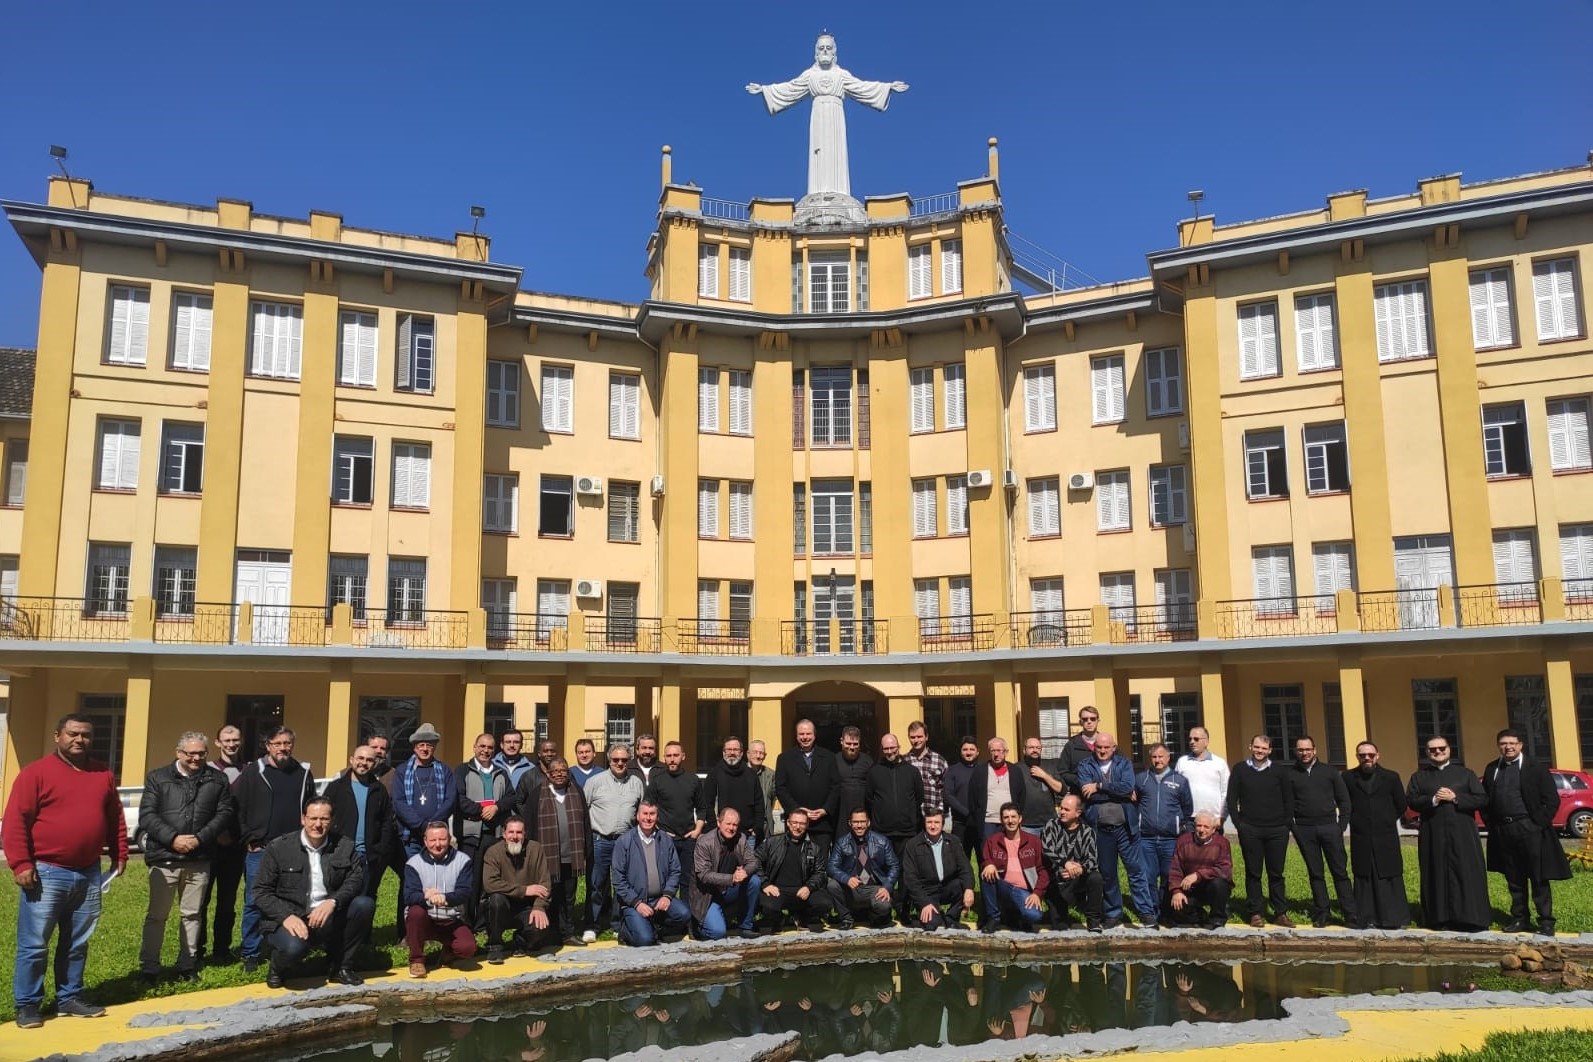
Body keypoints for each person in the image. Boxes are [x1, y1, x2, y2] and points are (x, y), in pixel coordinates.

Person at [3, 714, 127, 1027]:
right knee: (34, 944)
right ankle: (28, 1004)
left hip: (88, 872)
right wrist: (21, 863)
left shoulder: (102, 774)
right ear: (57, 735)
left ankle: (69, 997)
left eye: (85, 735)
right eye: (72, 734)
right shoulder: (36, 774)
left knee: (76, 942)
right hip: (46, 871)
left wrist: (120, 853)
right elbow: (16, 820)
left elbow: (115, 818)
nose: (79, 740)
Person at [745, 33, 908, 200]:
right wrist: (764, 89)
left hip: (836, 115)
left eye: (828, 48)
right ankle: (817, 193)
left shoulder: (841, 75)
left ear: (834, 53)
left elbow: (861, 87)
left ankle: (839, 193)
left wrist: (888, 87)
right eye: (821, 48)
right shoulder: (810, 75)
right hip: (818, 116)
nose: (824, 51)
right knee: (819, 153)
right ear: (815, 53)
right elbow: (791, 88)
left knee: (836, 152)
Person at [138, 730, 233, 984]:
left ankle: (187, 965)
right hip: (165, 858)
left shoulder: (218, 779)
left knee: (192, 914)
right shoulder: (158, 778)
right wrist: (173, 839)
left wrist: (199, 838)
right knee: (157, 916)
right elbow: (147, 816)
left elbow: (224, 814)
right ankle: (149, 968)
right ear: (178, 753)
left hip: (199, 858)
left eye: (201, 754)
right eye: (190, 754)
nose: (196, 759)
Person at [251, 797, 374, 989]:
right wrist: (286, 916)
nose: (318, 824)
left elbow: (355, 880)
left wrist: (332, 902)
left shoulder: (344, 846)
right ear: (303, 819)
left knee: (364, 905)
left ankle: (341, 966)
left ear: (331, 821)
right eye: (313, 818)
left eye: (324, 819)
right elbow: (260, 891)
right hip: (288, 918)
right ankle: (278, 967)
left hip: (325, 916)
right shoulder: (279, 848)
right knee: (294, 948)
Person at [232, 724, 316, 972]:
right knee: (255, 900)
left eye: (287, 743)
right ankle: (251, 952)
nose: (283, 748)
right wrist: (248, 837)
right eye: (277, 743)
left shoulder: (302, 773)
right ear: (267, 745)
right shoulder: (252, 772)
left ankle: (288, 943)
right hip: (261, 849)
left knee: (293, 899)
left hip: (293, 849)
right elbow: (237, 808)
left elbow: (310, 809)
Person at [1482, 729, 1571, 936]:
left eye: (1512, 743)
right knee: (1513, 878)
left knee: (1538, 877)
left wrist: (1537, 824)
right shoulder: (1492, 768)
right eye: (1503, 743)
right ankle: (1520, 918)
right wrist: (1491, 823)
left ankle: (1546, 921)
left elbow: (1551, 800)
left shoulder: (1535, 768)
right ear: (1498, 745)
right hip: (1504, 830)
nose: (1508, 747)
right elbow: (1486, 799)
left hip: (1530, 828)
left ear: (1521, 745)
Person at [1405, 736, 1490, 932]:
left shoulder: (1466, 774)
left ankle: (1471, 918)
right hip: (1433, 833)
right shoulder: (1419, 777)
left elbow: (1482, 798)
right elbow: (1412, 800)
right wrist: (1433, 799)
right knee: (1435, 870)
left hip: (1463, 833)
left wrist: (1456, 797)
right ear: (1427, 753)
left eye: (1441, 748)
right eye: (1432, 750)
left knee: (1466, 871)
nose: (1437, 752)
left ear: (1449, 750)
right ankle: (1438, 918)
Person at [1076, 732, 1154, 928]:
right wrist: (1117, 793)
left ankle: (1146, 912)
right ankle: (1113, 913)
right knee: (1108, 874)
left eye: (1106, 747)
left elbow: (1128, 787)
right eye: (1099, 747)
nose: (1102, 751)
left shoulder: (1124, 763)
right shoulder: (1085, 765)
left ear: (1114, 747)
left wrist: (1100, 786)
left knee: (1136, 871)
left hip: (1126, 828)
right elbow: (1088, 796)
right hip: (1100, 829)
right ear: (1094, 747)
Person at [1287, 736, 1358, 928]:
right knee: (1315, 873)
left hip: (1329, 828)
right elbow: (1287, 804)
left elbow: (1344, 801)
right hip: (1304, 829)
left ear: (1315, 750)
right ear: (1296, 751)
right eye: (1300, 750)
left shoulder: (1330, 772)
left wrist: (1340, 826)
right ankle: (1323, 913)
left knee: (1340, 872)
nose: (1304, 753)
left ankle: (1350, 914)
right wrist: (1295, 828)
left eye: (1308, 749)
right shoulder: (1290, 774)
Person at [1226, 734, 1294, 928]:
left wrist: (1286, 824)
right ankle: (1255, 912)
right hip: (1250, 829)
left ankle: (1280, 912)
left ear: (1270, 750)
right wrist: (1239, 824)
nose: (1259, 751)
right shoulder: (1240, 769)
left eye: (1264, 748)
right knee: (1253, 873)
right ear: (1250, 747)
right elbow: (1232, 798)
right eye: (1256, 747)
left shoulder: (1279, 771)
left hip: (1277, 830)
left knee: (1276, 873)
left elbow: (1288, 798)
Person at [518, 758, 589, 946]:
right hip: (546, 858)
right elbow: (530, 826)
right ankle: (548, 933)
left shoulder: (576, 792)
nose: (559, 774)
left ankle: (568, 933)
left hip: (571, 856)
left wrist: (587, 850)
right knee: (549, 895)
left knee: (569, 896)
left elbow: (585, 824)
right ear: (548, 773)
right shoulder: (537, 795)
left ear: (568, 772)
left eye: (563, 770)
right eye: (555, 771)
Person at [321, 745, 401, 909]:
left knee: (365, 900)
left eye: (369, 760)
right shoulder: (336, 788)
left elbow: (387, 821)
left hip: (368, 856)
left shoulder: (379, 790)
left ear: (375, 763)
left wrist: (381, 851)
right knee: (336, 899)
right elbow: (323, 818)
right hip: (339, 856)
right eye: (360, 758)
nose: (364, 763)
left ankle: (362, 935)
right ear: (352, 760)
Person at [1342, 741, 1411, 929]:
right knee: (1363, 874)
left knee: (1389, 874)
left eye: (1370, 755)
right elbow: (1344, 803)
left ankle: (1393, 918)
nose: (1367, 758)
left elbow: (1401, 804)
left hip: (1385, 834)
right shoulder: (1348, 777)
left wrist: (1385, 819)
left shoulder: (1391, 777)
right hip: (1361, 834)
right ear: (1357, 756)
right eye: (1362, 755)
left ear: (1377, 755)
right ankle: (1365, 917)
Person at [583, 743, 645, 939]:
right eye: (615, 760)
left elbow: (641, 812)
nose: (620, 763)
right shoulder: (595, 782)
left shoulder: (636, 783)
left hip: (626, 842)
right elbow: (583, 811)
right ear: (609, 761)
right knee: (596, 884)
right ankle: (592, 924)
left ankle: (618, 922)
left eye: (624, 760)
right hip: (600, 840)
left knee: (622, 885)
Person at [196, 723, 246, 963]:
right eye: (226, 740)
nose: (231, 744)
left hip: (235, 849)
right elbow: (200, 808)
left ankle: (222, 950)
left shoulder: (250, 771)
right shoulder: (205, 771)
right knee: (201, 901)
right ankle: (197, 950)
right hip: (207, 846)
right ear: (217, 743)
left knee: (227, 902)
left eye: (235, 739)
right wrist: (215, 834)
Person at [401, 821, 476, 978]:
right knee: (415, 912)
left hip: (451, 919)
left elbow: (465, 892)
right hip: (425, 920)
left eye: (442, 839)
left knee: (467, 948)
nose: (438, 844)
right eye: (433, 840)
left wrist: (445, 897)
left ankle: (448, 953)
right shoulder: (413, 864)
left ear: (449, 839)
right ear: (425, 841)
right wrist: (427, 897)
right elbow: (409, 895)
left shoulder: (463, 861)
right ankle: (416, 960)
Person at [610, 800, 691, 946]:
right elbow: (618, 879)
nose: (648, 818)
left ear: (657, 817)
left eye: (652, 814)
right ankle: (625, 931)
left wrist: (667, 895)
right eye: (645, 814)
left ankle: (653, 925)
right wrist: (636, 903)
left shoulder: (665, 840)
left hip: (659, 899)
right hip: (634, 902)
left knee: (684, 914)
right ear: (637, 816)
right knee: (645, 940)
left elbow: (675, 870)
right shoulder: (624, 841)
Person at [480, 816, 554, 962]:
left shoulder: (535, 849)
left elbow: (545, 883)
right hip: (502, 906)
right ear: (504, 834)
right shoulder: (493, 852)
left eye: (519, 832)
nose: (514, 837)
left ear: (525, 834)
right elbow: (490, 884)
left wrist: (539, 907)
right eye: (511, 832)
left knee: (541, 928)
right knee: (495, 900)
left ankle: (520, 941)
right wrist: (524, 890)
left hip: (526, 906)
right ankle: (495, 946)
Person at [1134, 743, 1192, 927]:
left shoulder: (1180, 781)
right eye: (1154, 757)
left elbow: (1187, 808)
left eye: (1161, 757)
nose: (1157, 760)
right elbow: (1134, 805)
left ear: (1168, 758)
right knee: (1149, 876)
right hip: (1147, 838)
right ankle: (1152, 912)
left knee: (1168, 877)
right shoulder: (1141, 779)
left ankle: (1167, 912)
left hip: (1170, 839)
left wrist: (1185, 833)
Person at [454, 732, 511, 915]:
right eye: (482, 746)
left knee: (491, 879)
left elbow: (511, 797)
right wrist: (480, 810)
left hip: (494, 835)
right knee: (471, 878)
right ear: (475, 747)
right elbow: (459, 799)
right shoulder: (463, 770)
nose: (485, 751)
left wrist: (497, 807)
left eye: (490, 748)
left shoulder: (500, 772)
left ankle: (484, 921)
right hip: (471, 835)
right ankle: (467, 919)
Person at [690, 808, 764, 940]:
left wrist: (744, 872)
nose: (731, 828)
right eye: (728, 824)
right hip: (708, 895)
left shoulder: (740, 838)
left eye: (735, 825)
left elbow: (753, 861)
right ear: (719, 823)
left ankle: (745, 926)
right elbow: (703, 875)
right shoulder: (704, 842)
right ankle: (697, 927)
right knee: (718, 933)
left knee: (754, 881)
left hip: (728, 889)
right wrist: (732, 878)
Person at [755, 808, 832, 931]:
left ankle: (803, 917)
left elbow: (820, 872)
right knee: (768, 906)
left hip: (802, 891)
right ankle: (779, 918)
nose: (797, 827)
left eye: (802, 823)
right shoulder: (772, 843)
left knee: (825, 903)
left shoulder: (814, 848)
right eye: (794, 823)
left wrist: (809, 887)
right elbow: (755, 861)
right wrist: (765, 883)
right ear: (788, 823)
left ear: (807, 825)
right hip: (778, 891)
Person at [644, 740, 706, 894]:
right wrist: (658, 830)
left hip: (688, 839)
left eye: (676, 755)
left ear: (683, 756)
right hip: (664, 838)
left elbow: (702, 808)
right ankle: (664, 915)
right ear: (664, 758)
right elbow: (647, 809)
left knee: (687, 881)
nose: (672, 759)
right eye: (669, 756)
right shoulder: (657, 781)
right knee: (664, 880)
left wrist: (697, 830)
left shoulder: (693, 780)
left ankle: (686, 915)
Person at [900, 808, 974, 931]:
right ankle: (923, 915)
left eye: (936, 822)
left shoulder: (953, 841)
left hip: (947, 886)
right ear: (925, 823)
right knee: (931, 925)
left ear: (942, 824)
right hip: (927, 891)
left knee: (962, 885)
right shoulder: (913, 845)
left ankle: (951, 919)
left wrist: (969, 888)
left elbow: (965, 867)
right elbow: (910, 878)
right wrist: (924, 902)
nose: (933, 826)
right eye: (929, 822)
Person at [391, 723, 458, 860]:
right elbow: (399, 802)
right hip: (410, 836)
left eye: (429, 745)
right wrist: (421, 825)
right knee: (412, 876)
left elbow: (450, 800)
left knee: (436, 873)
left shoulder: (445, 771)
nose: (425, 749)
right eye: (421, 745)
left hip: (437, 836)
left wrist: (432, 825)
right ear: (414, 747)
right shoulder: (402, 771)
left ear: (435, 747)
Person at [978, 803, 1049, 932]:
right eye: (1006, 817)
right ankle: (993, 918)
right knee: (987, 876)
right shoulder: (993, 841)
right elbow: (985, 859)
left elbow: (1043, 870)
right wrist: (989, 864)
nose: (1010, 821)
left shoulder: (1033, 842)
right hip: (1003, 887)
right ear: (1001, 820)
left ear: (1020, 818)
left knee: (1035, 915)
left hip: (1024, 891)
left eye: (1013, 817)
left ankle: (1014, 917)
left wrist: (1037, 893)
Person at [1040, 795, 1105, 931]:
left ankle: (1093, 920)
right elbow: (1046, 849)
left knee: (1095, 877)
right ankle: (1057, 912)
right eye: (1061, 808)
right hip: (1056, 882)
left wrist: (1080, 869)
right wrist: (1066, 864)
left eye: (1066, 809)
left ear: (1078, 813)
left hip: (1076, 881)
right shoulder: (1051, 825)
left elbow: (1093, 860)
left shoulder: (1087, 832)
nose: (1061, 812)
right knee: (1061, 928)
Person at [826, 808, 899, 929]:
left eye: (862, 821)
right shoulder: (841, 842)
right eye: (855, 822)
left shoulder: (882, 841)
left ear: (868, 822)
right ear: (850, 823)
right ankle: (846, 918)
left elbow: (894, 866)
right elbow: (831, 866)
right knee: (832, 885)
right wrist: (846, 878)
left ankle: (873, 917)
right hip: (852, 889)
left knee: (884, 906)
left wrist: (887, 887)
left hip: (874, 888)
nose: (859, 825)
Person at [774, 718, 840, 850]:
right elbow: (781, 788)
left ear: (814, 735)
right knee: (795, 864)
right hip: (795, 823)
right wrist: (797, 810)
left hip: (821, 822)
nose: (805, 737)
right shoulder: (784, 758)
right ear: (796, 736)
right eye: (801, 734)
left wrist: (825, 809)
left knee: (820, 865)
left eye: (808, 734)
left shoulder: (829, 757)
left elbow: (836, 786)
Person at [1166, 812, 1234, 930]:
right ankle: (1199, 916)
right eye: (1199, 826)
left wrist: (1198, 875)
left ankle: (1217, 920)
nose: (1201, 830)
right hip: (1189, 888)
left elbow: (1224, 870)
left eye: (1206, 827)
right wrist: (1176, 891)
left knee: (1219, 884)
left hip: (1212, 887)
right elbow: (1175, 868)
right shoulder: (1183, 841)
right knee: (1176, 908)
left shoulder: (1222, 843)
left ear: (1213, 829)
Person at [865, 733, 924, 868]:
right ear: (882, 749)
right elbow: (868, 799)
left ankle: (903, 891)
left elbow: (919, 797)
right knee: (883, 871)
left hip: (907, 832)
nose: (890, 751)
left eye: (893, 747)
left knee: (906, 870)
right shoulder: (874, 772)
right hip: (882, 832)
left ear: (899, 747)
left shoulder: (912, 772)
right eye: (886, 749)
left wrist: (909, 816)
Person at [966, 737, 1025, 858]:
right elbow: (972, 797)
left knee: (1009, 854)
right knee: (987, 855)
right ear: (989, 752)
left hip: (1009, 821)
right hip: (988, 821)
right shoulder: (980, 771)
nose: (996, 754)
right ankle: (988, 877)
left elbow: (1021, 795)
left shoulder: (1015, 771)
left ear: (1006, 752)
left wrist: (1016, 815)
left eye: (999, 750)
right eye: (993, 751)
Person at [701, 736, 766, 843]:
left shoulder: (751, 775)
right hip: (722, 835)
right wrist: (714, 827)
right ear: (723, 752)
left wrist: (757, 828)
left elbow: (759, 803)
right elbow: (707, 803)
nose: (732, 753)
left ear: (741, 753)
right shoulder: (715, 774)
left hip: (747, 836)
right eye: (729, 750)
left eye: (735, 750)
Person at [1174, 727, 1229, 826]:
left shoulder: (1219, 763)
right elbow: (1175, 790)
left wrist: (1222, 817)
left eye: (1196, 739)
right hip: (1188, 820)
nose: (1192, 742)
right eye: (1190, 739)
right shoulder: (1182, 762)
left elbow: (1226, 791)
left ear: (1206, 742)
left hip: (1212, 820)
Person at [904, 722, 950, 822]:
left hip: (934, 817)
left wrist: (940, 812)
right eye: (912, 737)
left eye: (919, 736)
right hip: (911, 817)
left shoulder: (940, 761)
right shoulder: (904, 762)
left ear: (926, 737)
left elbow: (946, 790)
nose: (916, 740)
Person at [1018, 737, 1064, 835]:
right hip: (1026, 824)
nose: (1035, 750)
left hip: (1049, 822)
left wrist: (1045, 776)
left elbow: (1061, 789)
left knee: (1050, 850)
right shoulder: (1017, 768)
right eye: (1031, 747)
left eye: (1038, 748)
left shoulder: (1050, 765)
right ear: (1024, 750)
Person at [1057, 706, 1102, 794]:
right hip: (1079, 795)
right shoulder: (1071, 745)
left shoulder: (1107, 743)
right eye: (1085, 719)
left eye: (1093, 719)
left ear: (1098, 721)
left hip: (1103, 795)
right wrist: (1081, 781)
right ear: (1080, 722)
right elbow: (1062, 771)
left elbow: (1121, 767)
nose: (1089, 722)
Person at [943, 736, 981, 838]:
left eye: (972, 749)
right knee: (960, 853)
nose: (968, 752)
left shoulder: (984, 770)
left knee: (983, 853)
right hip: (960, 822)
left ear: (978, 752)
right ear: (961, 752)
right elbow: (948, 795)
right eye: (965, 749)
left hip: (981, 821)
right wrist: (966, 812)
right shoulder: (952, 771)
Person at [834, 726, 874, 820]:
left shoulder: (868, 761)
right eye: (848, 743)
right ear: (841, 741)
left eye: (855, 744)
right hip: (840, 815)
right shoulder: (833, 761)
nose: (852, 747)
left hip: (863, 814)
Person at [747, 739, 780, 837]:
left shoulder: (771, 775)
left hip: (765, 826)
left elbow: (772, 798)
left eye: (761, 753)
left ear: (765, 756)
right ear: (748, 754)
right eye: (755, 752)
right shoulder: (740, 773)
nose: (758, 756)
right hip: (745, 826)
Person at [492, 728, 542, 792]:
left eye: (516, 742)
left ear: (521, 745)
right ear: (501, 745)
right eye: (508, 742)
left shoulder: (531, 768)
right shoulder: (491, 765)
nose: (512, 745)